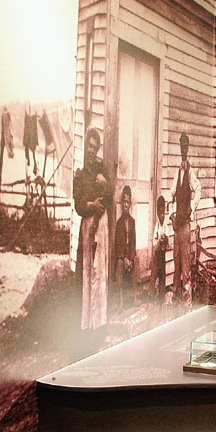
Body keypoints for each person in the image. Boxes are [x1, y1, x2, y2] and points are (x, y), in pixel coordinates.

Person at [73, 127, 112, 330]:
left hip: (101, 225)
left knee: (100, 270)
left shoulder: (101, 169)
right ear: (85, 145)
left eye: (95, 148)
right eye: (89, 146)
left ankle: (100, 321)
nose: (91, 150)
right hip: (88, 225)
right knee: (88, 270)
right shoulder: (80, 174)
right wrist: (91, 206)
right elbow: (78, 204)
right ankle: (86, 322)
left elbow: (110, 198)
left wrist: (105, 184)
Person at [169, 132, 201, 304]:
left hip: (186, 225)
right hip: (177, 225)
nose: (183, 149)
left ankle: (187, 300)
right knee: (176, 259)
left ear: (188, 149)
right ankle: (175, 294)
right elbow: (171, 194)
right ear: (179, 147)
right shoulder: (177, 172)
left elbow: (199, 190)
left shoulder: (190, 171)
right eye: (181, 146)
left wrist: (191, 207)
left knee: (186, 262)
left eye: (185, 146)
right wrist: (172, 215)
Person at [114, 185, 136, 310]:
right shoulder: (119, 223)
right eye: (124, 202)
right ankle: (121, 301)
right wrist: (124, 258)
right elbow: (118, 245)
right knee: (119, 264)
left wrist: (131, 258)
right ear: (122, 203)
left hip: (129, 256)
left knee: (137, 262)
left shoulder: (132, 222)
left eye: (128, 202)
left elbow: (133, 242)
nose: (126, 205)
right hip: (122, 257)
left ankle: (133, 298)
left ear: (130, 204)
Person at [150, 195, 169, 299]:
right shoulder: (156, 227)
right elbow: (154, 243)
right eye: (160, 214)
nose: (162, 216)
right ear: (157, 214)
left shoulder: (166, 226)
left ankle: (161, 296)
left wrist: (166, 240)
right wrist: (159, 242)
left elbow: (170, 245)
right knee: (154, 275)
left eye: (163, 213)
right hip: (157, 256)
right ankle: (151, 295)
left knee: (162, 276)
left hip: (163, 255)